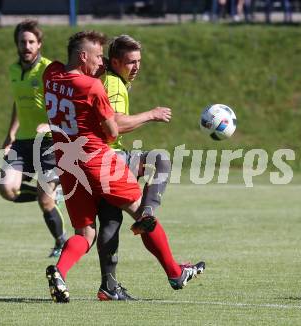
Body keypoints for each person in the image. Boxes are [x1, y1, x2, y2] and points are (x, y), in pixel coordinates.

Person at [44, 30, 205, 303]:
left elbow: (64, 69)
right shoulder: (93, 87)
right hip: (97, 160)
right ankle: (176, 273)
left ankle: (60, 272)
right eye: (97, 57)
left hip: (67, 163)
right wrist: (150, 115)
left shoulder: (51, 73)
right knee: (144, 215)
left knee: (85, 233)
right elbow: (111, 133)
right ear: (83, 56)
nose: (101, 62)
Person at [95, 34, 177, 301]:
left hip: (93, 159)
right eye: (131, 62)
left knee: (110, 221)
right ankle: (148, 213)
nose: (137, 67)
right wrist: (151, 115)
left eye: (139, 61)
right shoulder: (115, 84)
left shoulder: (109, 78)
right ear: (116, 61)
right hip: (110, 156)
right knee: (160, 158)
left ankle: (108, 286)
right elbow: (117, 124)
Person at [0, 20, 67, 258]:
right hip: (23, 142)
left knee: (45, 202)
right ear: (16, 44)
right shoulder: (13, 70)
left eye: (31, 42)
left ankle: (60, 241)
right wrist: (10, 134)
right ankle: (51, 194)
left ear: (39, 44)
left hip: (48, 142)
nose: (26, 46)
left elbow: (64, 105)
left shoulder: (50, 70)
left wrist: (51, 124)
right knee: (6, 189)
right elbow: (18, 103)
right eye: (22, 42)